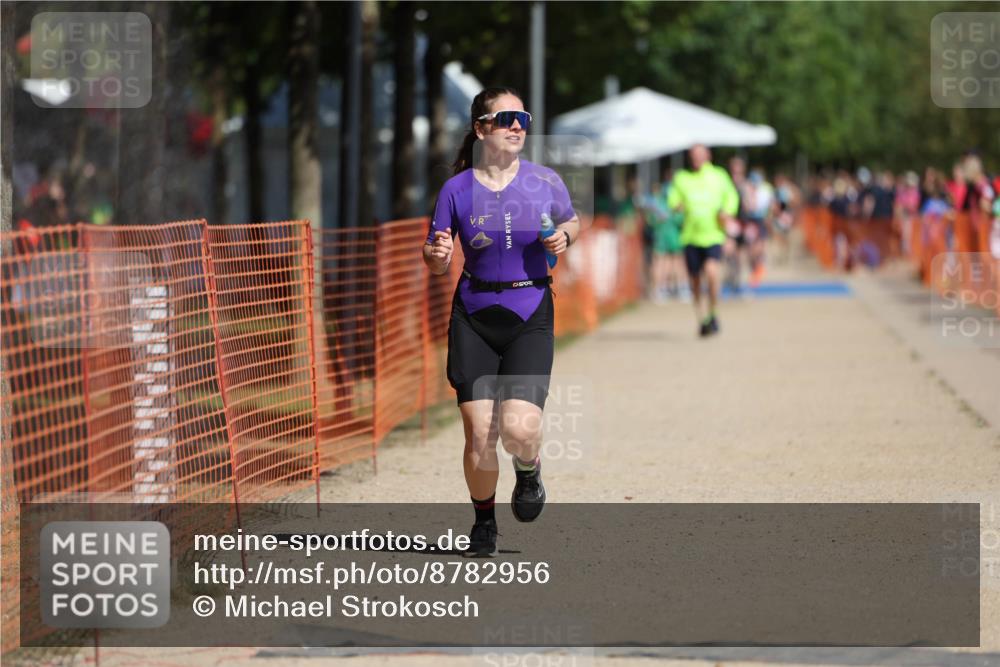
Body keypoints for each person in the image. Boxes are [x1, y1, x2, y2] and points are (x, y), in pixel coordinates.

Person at [423, 87, 580, 558]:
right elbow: (434, 253)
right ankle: (484, 522)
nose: (518, 126)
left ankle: (528, 471)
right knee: (479, 433)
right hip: (473, 314)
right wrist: (436, 255)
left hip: (529, 312)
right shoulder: (456, 190)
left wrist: (564, 239)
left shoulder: (544, 180)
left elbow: (573, 222)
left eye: (524, 118)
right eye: (507, 117)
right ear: (481, 129)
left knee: (518, 431)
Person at [668, 144, 739, 337]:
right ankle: (702, 318)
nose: (697, 158)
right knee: (695, 281)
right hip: (690, 237)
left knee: (712, 272)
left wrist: (727, 212)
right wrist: (676, 206)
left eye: (700, 154)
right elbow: (672, 199)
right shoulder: (682, 178)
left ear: (708, 155)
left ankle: (713, 312)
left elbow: (731, 196)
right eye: (693, 155)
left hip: (713, 235)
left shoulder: (718, 175)